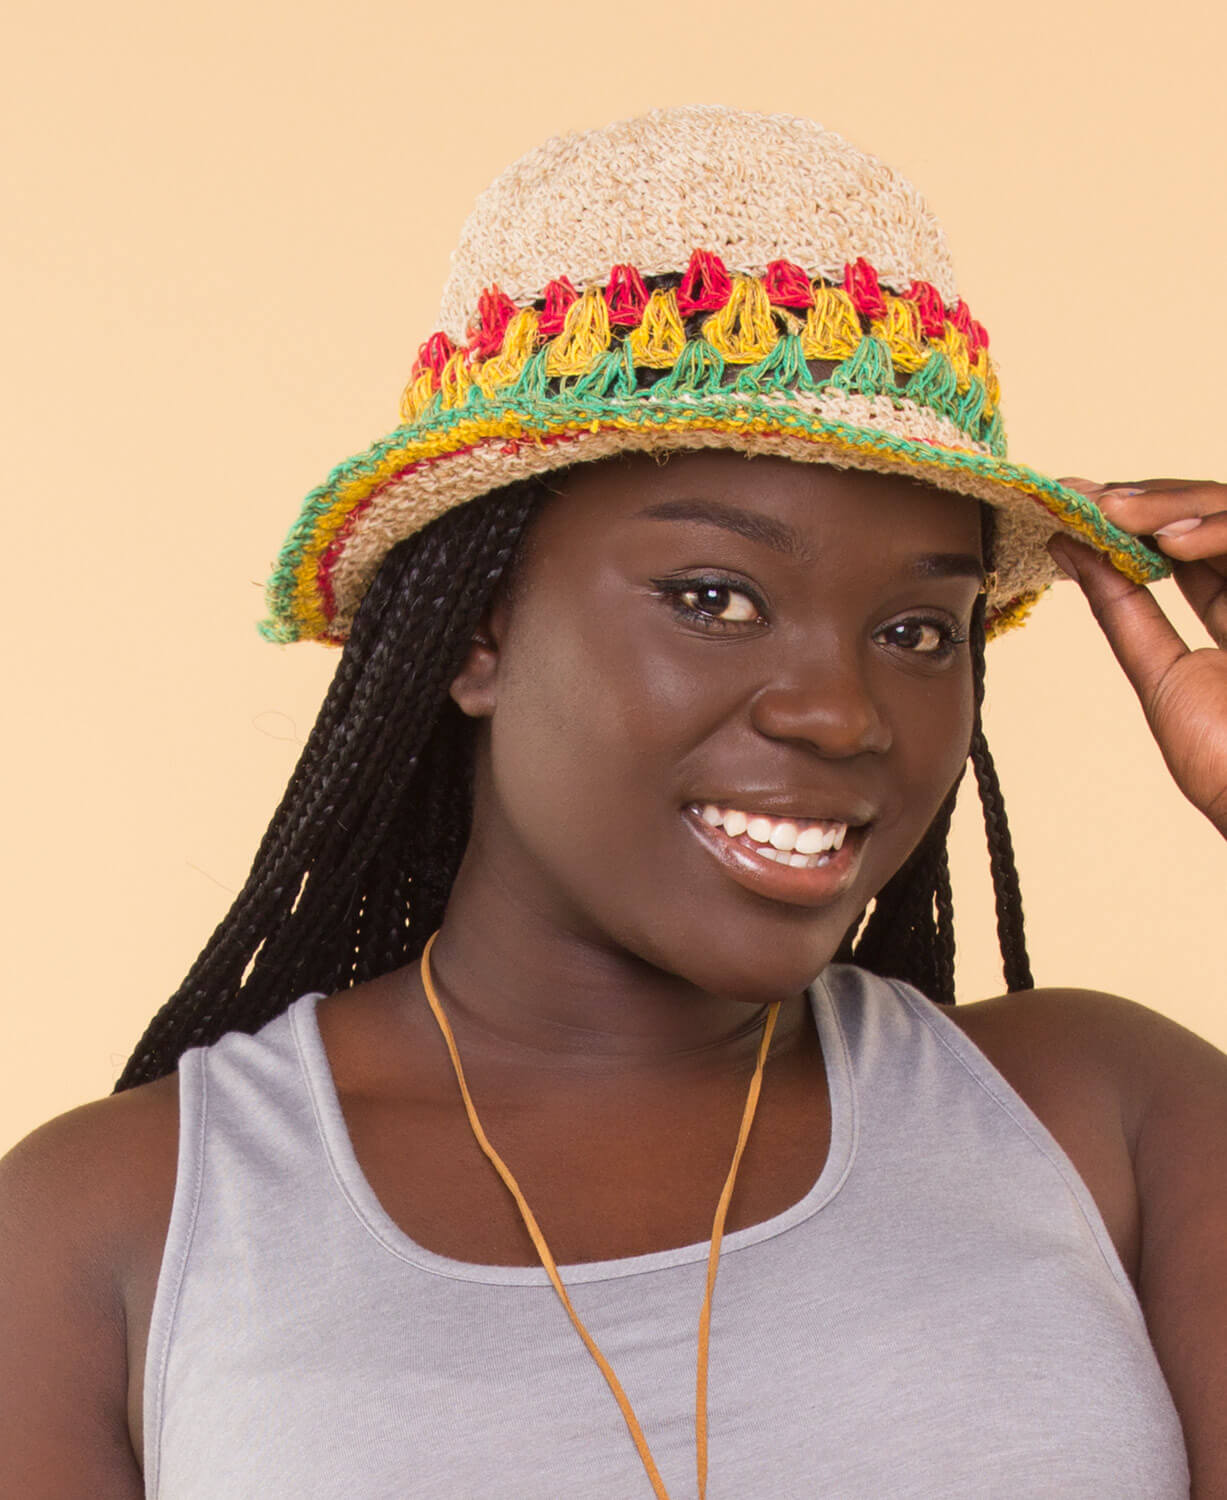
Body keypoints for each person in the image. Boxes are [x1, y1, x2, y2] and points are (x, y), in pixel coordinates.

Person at [1, 106, 1224, 1499]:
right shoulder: (117, 1229)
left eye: (918, 629)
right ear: (477, 632)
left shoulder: (1112, 1121)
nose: (839, 710)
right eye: (713, 598)